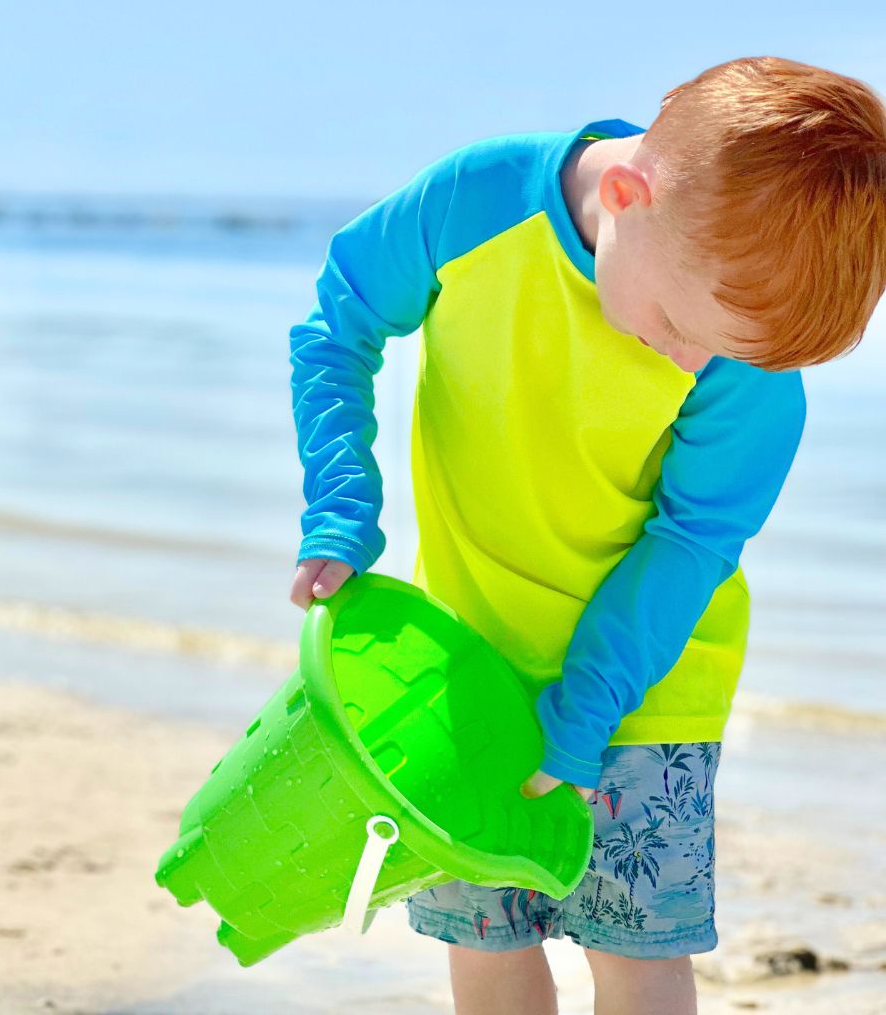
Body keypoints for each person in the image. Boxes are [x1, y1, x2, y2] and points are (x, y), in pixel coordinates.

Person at [288, 57, 886, 1015]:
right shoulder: (475, 202)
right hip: (467, 666)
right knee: (486, 943)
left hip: (650, 690)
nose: (690, 362)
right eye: (680, 325)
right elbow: (338, 324)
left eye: (726, 350)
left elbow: (691, 542)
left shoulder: (751, 361)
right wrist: (342, 504)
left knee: (638, 956)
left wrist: (588, 709)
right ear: (624, 198)